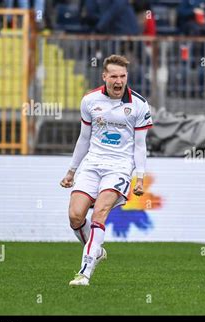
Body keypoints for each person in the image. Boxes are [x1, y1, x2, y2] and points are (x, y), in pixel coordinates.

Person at [60, 55, 153, 286]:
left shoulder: (139, 105)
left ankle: (84, 273)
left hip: (119, 168)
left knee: (99, 212)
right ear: (105, 77)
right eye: (114, 76)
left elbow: (140, 146)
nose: (118, 81)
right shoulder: (90, 100)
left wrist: (139, 178)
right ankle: (96, 251)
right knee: (75, 216)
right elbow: (83, 139)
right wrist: (71, 171)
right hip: (92, 165)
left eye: (123, 76)